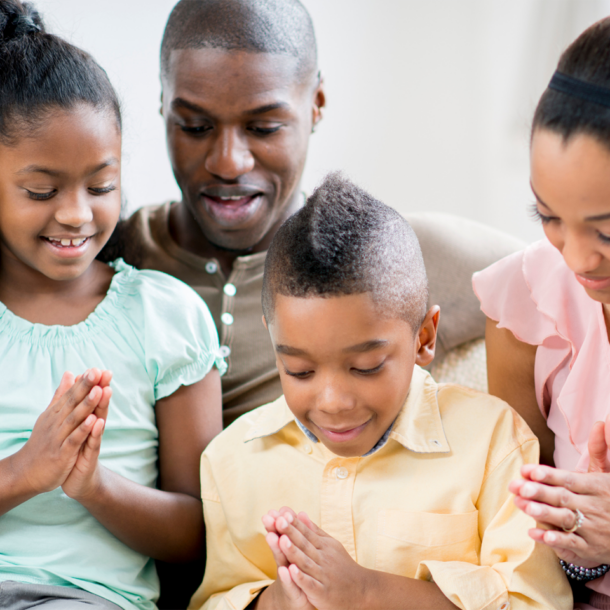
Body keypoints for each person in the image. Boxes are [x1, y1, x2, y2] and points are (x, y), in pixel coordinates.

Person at [124, 0, 525, 427]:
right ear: (163, 104)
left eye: (263, 128)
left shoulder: (389, 258)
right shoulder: (110, 253)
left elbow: (574, 278)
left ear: (316, 103)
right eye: (194, 127)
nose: (228, 163)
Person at [189, 173, 571, 610]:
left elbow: (535, 602)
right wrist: (276, 601)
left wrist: (367, 593)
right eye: (299, 370)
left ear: (424, 338)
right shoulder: (231, 460)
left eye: (366, 367)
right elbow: (214, 597)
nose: (333, 401)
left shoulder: (492, 443)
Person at [0, 2, 224, 608]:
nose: (76, 213)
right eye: (41, 190)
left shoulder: (164, 319)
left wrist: (92, 485)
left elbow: (199, 532)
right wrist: (27, 470)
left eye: (101, 186)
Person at [473, 18, 610, 610]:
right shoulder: (525, 305)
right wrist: (586, 545)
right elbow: (518, 544)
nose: (577, 259)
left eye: (606, 229)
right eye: (547, 216)